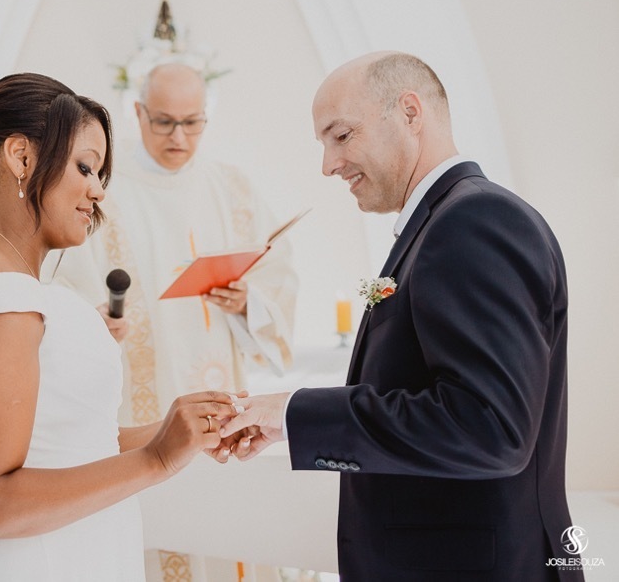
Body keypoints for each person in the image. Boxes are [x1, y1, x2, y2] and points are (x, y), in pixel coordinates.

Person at [220, 51, 582, 580]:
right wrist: (284, 424)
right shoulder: (445, 223)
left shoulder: (474, 222)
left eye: (341, 136)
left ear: (411, 113)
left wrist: (296, 413)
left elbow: (490, 427)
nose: (328, 164)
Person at [0, 72, 242, 581]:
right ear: (21, 157)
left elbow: (71, 446)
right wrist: (156, 459)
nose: (97, 192)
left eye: (102, 175)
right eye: (86, 167)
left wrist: (177, 431)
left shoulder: (15, 287)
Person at [49, 62, 298, 580]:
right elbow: (62, 287)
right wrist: (92, 322)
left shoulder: (233, 189)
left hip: (223, 398)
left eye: (193, 122)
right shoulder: (101, 195)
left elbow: (280, 277)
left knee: (225, 535)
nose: (179, 137)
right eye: (163, 122)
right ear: (137, 113)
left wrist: (248, 301)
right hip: (142, 409)